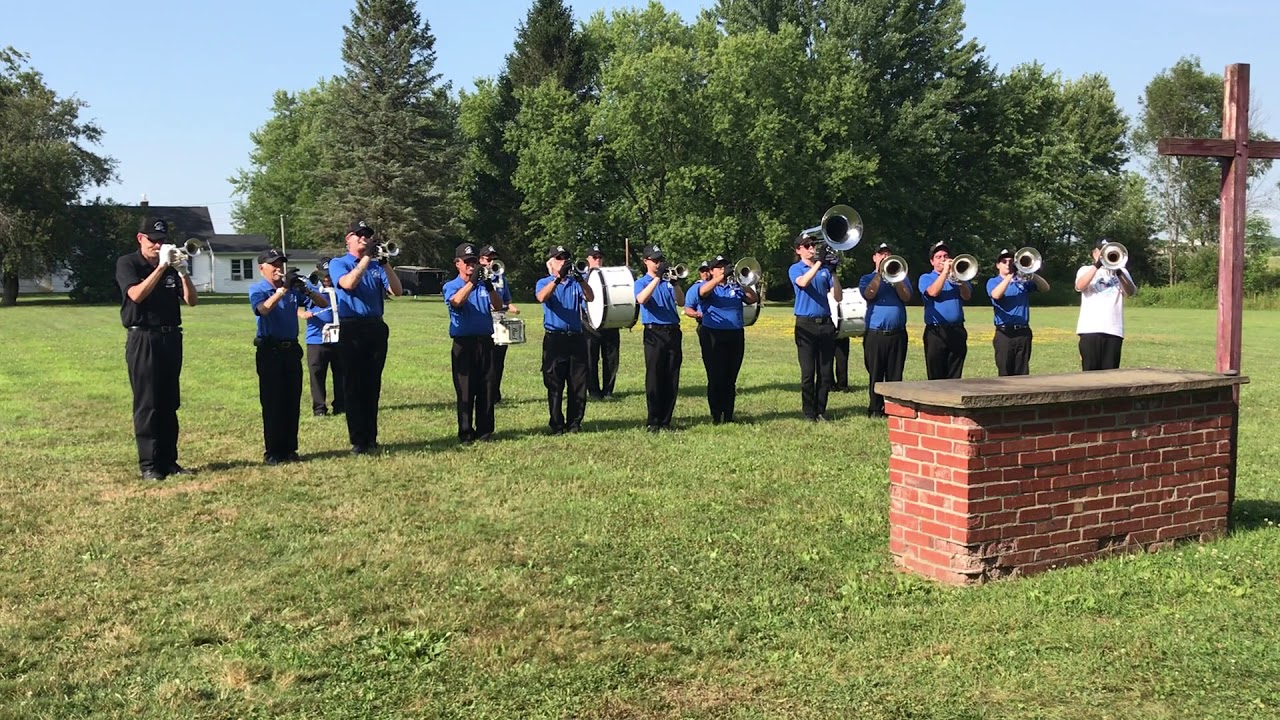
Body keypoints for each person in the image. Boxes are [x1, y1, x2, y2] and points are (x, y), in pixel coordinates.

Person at [116, 217, 198, 480]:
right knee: (148, 403)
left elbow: (192, 301)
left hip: (171, 337)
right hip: (144, 338)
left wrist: (183, 271)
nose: (158, 245)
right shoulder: (128, 263)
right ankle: (149, 465)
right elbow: (136, 295)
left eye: (162, 241)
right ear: (141, 239)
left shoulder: (171, 266)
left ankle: (169, 460)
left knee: (169, 401)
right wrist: (161, 267)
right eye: (153, 240)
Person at [328, 220, 403, 455]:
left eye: (367, 235)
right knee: (353, 385)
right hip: (351, 329)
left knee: (372, 385)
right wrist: (367, 259)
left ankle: (371, 437)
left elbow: (397, 291)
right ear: (348, 238)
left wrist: (385, 263)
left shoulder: (376, 265)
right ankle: (358, 439)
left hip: (375, 327)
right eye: (359, 235)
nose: (364, 238)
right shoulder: (339, 263)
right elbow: (348, 284)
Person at [249, 249, 329, 465]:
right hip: (270, 350)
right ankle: (273, 451)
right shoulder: (258, 289)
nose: (278, 268)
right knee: (273, 401)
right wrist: (283, 290)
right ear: (261, 268)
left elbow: (323, 304)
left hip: (291, 350)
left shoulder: (293, 289)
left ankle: (290, 449)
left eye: (281, 264)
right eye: (273, 264)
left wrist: (306, 291)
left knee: (292, 400)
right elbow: (263, 310)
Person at [444, 243, 501, 445]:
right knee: (465, 389)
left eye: (473, 262)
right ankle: (466, 432)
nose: (471, 265)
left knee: (486, 387)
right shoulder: (451, 285)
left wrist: (489, 286)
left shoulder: (483, 285)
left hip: (485, 342)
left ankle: (485, 431)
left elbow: (498, 306)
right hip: (464, 343)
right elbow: (456, 302)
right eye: (467, 262)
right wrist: (472, 283)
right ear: (457, 263)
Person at [535, 245, 596, 434]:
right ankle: (556, 423)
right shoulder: (544, 282)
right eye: (559, 259)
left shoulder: (575, 283)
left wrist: (580, 279)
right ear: (551, 263)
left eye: (565, 259)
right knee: (554, 382)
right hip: (555, 338)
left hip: (576, 338)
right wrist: (557, 279)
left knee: (578, 383)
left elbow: (591, 297)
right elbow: (542, 297)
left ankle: (574, 423)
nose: (563, 262)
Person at [698, 254, 759, 424]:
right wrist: (718, 279)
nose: (722, 269)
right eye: (718, 267)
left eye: (725, 266)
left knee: (730, 377)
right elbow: (703, 293)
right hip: (713, 335)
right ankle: (716, 414)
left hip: (735, 335)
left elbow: (753, 299)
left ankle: (729, 414)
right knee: (715, 376)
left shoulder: (736, 287)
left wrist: (742, 282)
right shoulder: (707, 285)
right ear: (711, 271)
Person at [790, 234, 842, 421]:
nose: (811, 247)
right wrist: (819, 263)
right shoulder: (796, 269)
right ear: (798, 250)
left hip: (825, 323)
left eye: (813, 244)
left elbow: (838, 297)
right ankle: (808, 412)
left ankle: (821, 410)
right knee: (808, 372)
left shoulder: (825, 270)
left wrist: (834, 272)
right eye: (807, 245)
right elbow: (803, 283)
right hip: (806, 324)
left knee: (825, 371)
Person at [635, 244, 683, 432]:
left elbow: (681, 301)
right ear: (646, 261)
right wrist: (656, 278)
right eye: (655, 261)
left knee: (672, 376)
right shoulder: (642, 282)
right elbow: (641, 299)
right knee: (654, 375)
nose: (659, 263)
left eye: (660, 260)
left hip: (672, 331)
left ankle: (666, 420)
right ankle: (653, 420)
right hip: (654, 332)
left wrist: (676, 283)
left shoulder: (668, 282)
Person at [860, 242, 911, 418]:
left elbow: (906, 296)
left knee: (895, 374)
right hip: (875, 333)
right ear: (874, 257)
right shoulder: (867, 278)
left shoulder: (901, 276)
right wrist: (880, 274)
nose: (884, 257)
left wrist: (895, 278)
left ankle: (894, 409)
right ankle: (875, 408)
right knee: (875, 373)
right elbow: (869, 294)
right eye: (881, 254)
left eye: (888, 253)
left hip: (897, 334)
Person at [1075, 239, 1137, 371]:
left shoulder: (1122, 272)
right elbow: (1080, 286)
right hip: (1089, 330)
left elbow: (1130, 292)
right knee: (1089, 373)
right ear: (1094, 253)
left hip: (1114, 331)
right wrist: (1097, 265)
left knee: (1111, 375)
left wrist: (1118, 271)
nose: (1105, 254)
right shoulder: (1085, 269)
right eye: (1101, 251)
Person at [987, 248, 1050, 376]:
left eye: (1011, 261)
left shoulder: (1023, 282)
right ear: (998, 265)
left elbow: (1045, 288)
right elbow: (996, 295)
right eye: (1004, 261)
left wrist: (1032, 273)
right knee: (1005, 372)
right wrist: (1009, 277)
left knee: (1022, 373)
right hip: (1004, 333)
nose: (1008, 264)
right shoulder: (993, 282)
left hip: (1023, 332)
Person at [917, 240, 972, 380]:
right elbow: (933, 292)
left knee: (955, 374)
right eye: (939, 257)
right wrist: (945, 273)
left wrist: (959, 280)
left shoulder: (958, 277)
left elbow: (967, 296)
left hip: (957, 330)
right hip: (936, 332)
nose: (943, 259)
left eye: (946, 256)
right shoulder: (926, 278)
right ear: (932, 261)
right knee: (936, 375)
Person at [301, 257, 344, 417]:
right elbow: (296, 306)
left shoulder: (342, 286)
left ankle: (341, 405)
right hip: (316, 338)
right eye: (323, 275)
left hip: (339, 337)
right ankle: (319, 408)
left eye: (330, 274)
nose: (327, 278)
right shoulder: (309, 288)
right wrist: (302, 313)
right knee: (317, 374)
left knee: (341, 373)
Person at [479, 245, 520, 403]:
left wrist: (512, 307)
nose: (491, 262)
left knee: (498, 360)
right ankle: (484, 393)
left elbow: (506, 300)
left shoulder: (501, 277)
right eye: (488, 259)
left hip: (500, 320)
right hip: (485, 319)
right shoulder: (478, 277)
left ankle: (495, 393)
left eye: (493, 259)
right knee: (485, 359)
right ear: (481, 260)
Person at [582, 244, 620, 400]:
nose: (598, 260)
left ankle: (608, 390)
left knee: (611, 357)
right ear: (588, 259)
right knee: (590, 357)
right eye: (594, 257)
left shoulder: (609, 275)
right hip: (589, 321)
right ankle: (593, 391)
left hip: (610, 320)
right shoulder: (582, 276)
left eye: (600, 257)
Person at [685, 260, 711, 389]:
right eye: (702, 270)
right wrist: (696, 314)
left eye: (707, 270)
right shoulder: (695, 288)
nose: (705, 273)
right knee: (710, 356)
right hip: (704, 325)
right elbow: (688, 309)